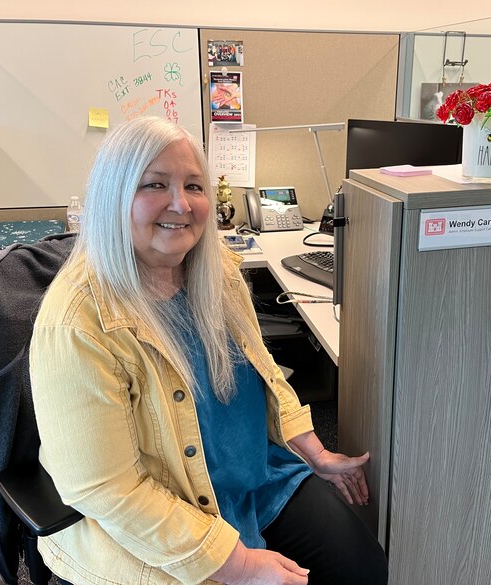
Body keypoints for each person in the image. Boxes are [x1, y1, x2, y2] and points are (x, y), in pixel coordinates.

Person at [29, 116, 388, 585]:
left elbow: (265, 372)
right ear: (112, 196)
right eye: (155, 184)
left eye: (193, 185)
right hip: (164, 512)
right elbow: (108, 490)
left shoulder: (213, 267)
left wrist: (315, 452)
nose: (181, 204)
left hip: (253, 481)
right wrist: (238, 565)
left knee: (364, 570)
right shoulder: (77, 323)